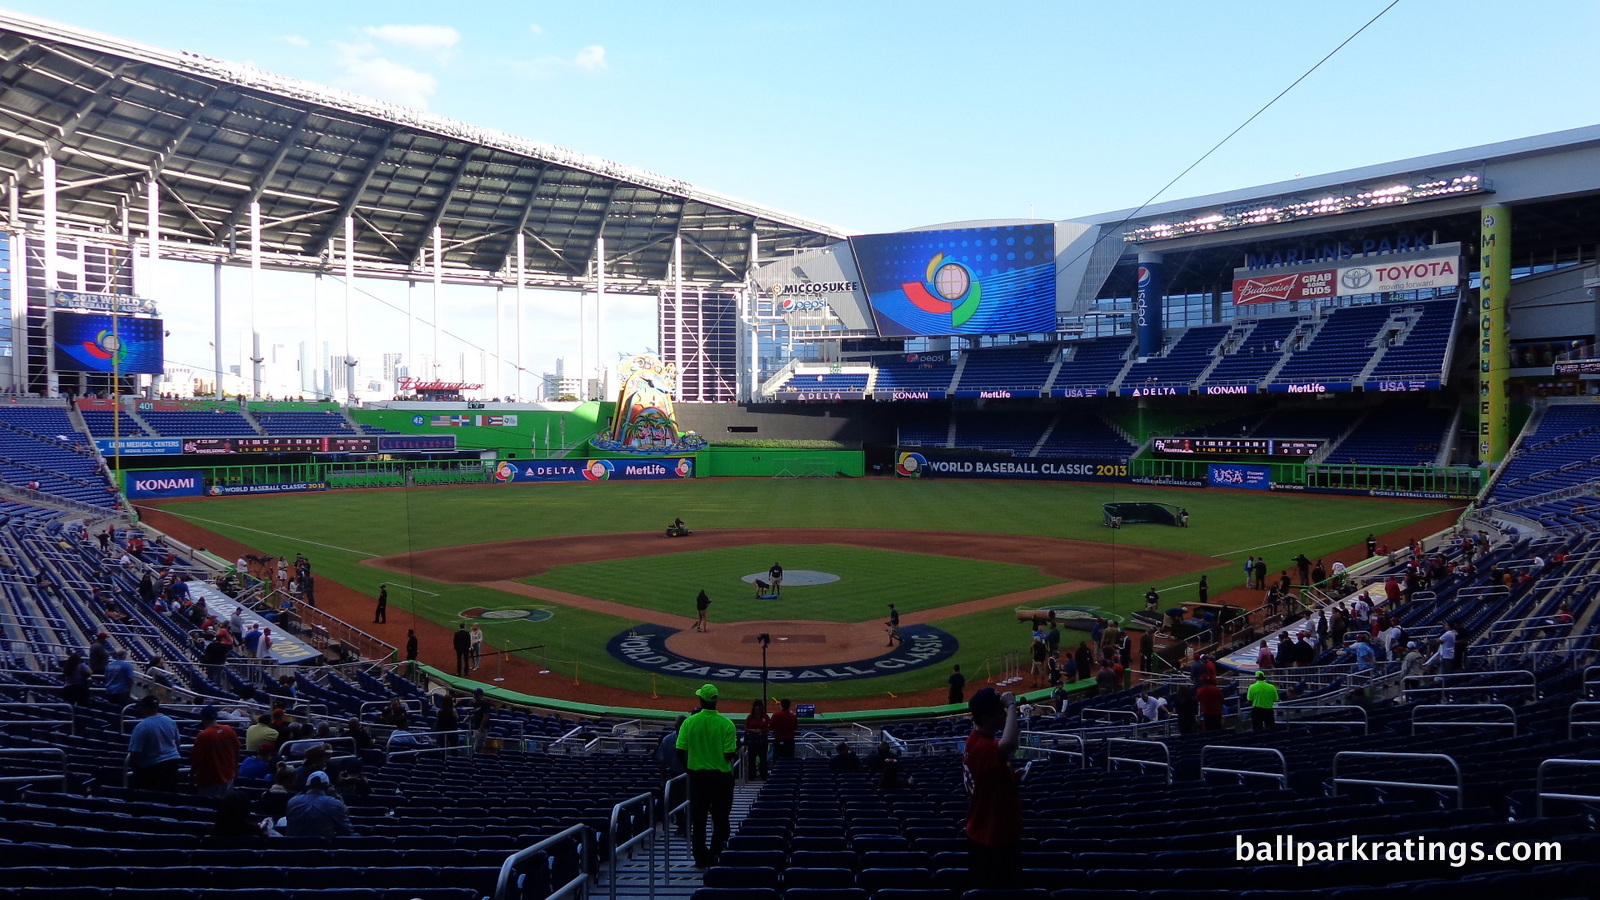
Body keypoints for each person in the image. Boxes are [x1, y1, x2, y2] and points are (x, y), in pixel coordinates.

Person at [963, 687, 1022, 889]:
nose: (1004, 714)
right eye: (1000, 711)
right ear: (988, 717)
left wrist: (1011, 777)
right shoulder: (982, 747)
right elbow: (1009, 744)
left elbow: (990, 774)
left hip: (985, 833)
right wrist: (1012, 705)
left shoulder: (976, 741)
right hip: (992, 839)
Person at [676, 684, 737, 868]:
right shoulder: (727, 724)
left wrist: (690, 768)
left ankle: (700, 857)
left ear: (701, 700)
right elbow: (729, 755)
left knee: (699, 821)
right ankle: (716, 853)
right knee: (721, 819)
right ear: (716, 701)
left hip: (698, 779)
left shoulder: (689, 722)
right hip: (721, 779)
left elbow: (680, 750)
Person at [128, 695, 181, 791]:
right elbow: (178, 743)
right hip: (172, 763)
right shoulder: (170, 721)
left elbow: (135, 753)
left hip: (152, 768)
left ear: (143, 708)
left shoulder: (141, 727)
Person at [283, 769, 354, 837]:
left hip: (295, 847)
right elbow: (348, 829)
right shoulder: (335, 804)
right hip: (325, 847)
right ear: (327, 787)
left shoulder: (292, 802)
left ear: (307, 786)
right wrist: (335, 794)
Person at [192, 705, 239, 798]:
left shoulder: (203, 735)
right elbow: (237, 751)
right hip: (229, 776)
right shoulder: (229, 729)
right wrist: (235, 768)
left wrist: (191, 776)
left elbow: (196, 760)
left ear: (202, 718)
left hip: (210, 780)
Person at [744, 699, 771, 780]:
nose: (758, 708)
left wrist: (761, 731)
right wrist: (752, 730)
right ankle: (751, 776)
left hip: (762, 740)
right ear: (754, 707)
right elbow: (745, 727)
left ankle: (763, 776)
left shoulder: (765, 716)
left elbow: (769, 726)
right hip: (752, 741)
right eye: (756, 706)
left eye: (759, 706)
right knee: (751, 760)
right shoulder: (750, 716)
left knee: (763, 759)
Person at [656, 716, 687, 780]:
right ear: (675, 727)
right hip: (674, 773)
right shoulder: (667, 740)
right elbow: (662, 762)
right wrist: (663, 779)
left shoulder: (667, 740)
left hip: (690, 773)